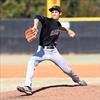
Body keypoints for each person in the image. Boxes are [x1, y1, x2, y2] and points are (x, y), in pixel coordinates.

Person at [17, 6, 87, 95]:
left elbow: (60, 27)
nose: (54, 13)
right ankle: (27, 86)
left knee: (67, 70)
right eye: (52, 12)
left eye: (56, 12)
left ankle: (78, 80)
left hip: (53, 52)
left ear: (60, 14)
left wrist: (68, 31)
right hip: (42, 51)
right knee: (31, 62)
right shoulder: (47, 21)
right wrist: (35, 26)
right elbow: (37, 16)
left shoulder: (57, 24)